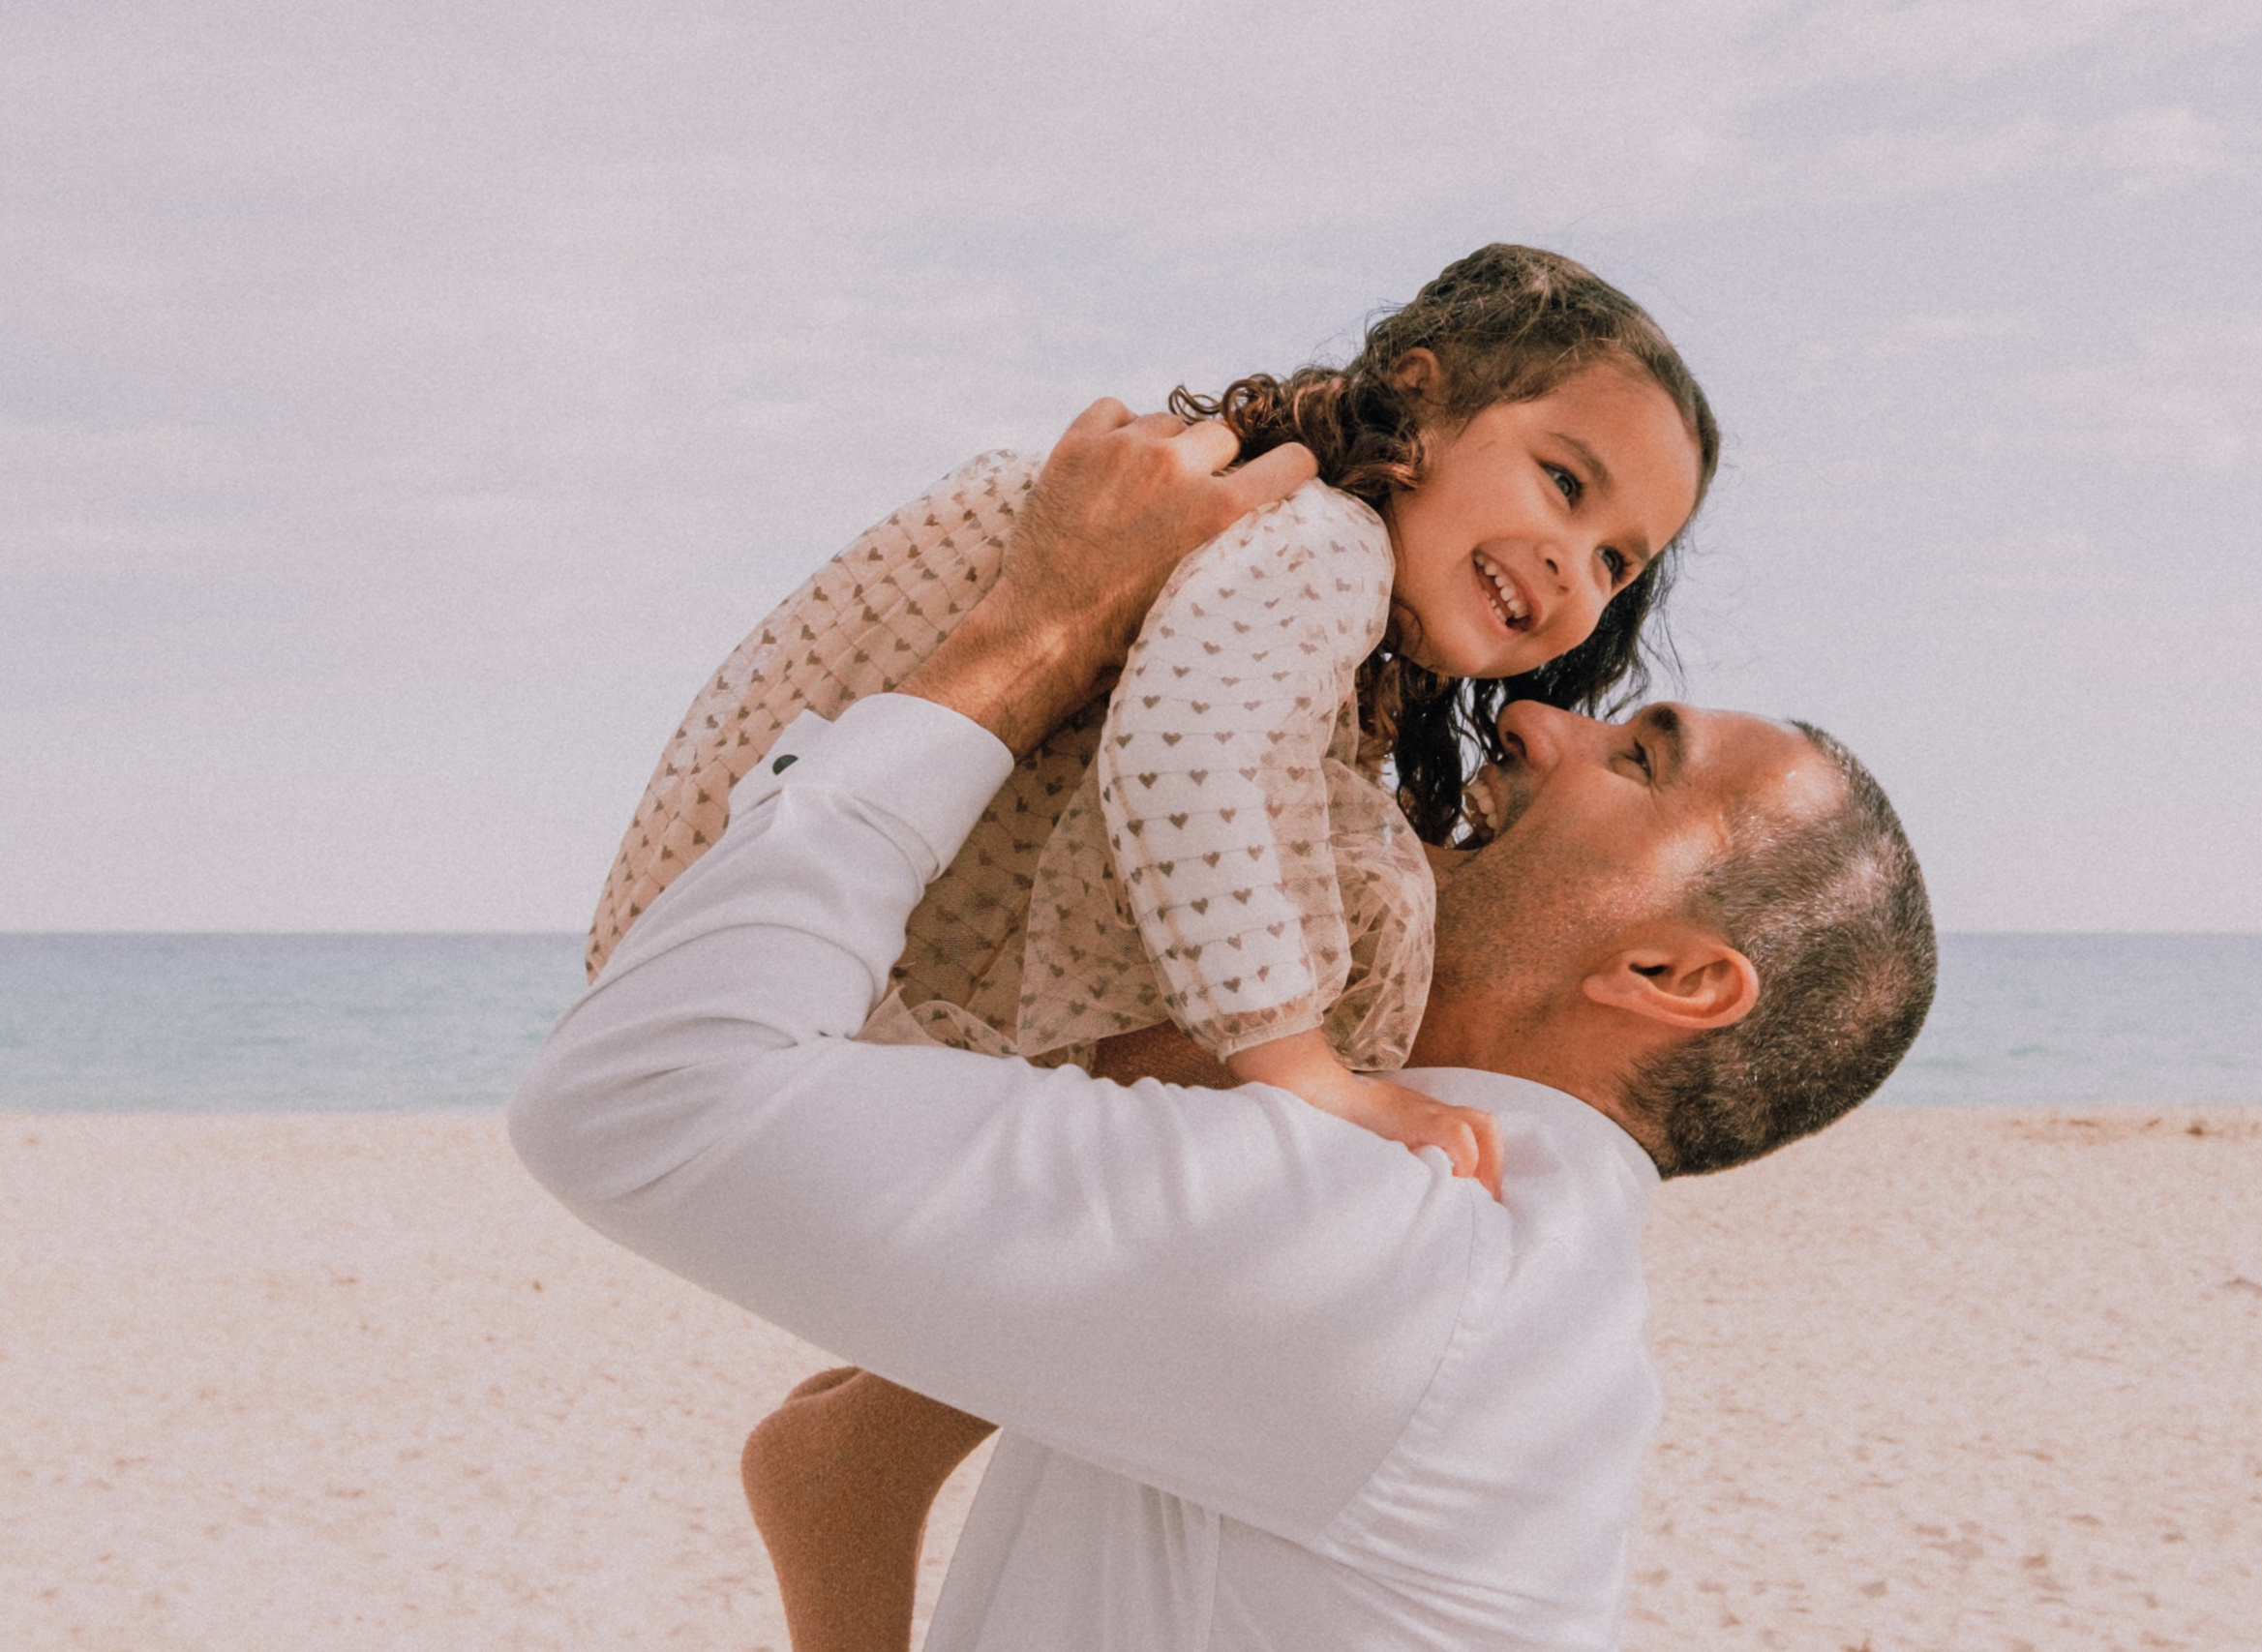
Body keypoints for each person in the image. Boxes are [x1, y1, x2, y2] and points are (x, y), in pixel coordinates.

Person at [509, 402, 1936, 1651]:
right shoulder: (1496, 1267)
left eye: (1638, 758)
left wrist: (1042, 623)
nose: (1535, 724)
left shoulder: (1398, 1248)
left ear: (1678, 975)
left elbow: (641, 1093)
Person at [581, 245, 1719, 1185]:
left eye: (1617, 561)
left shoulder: (1299, 543)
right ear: (1421, 394)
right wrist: (1304, 1069)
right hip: (765, 928)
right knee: (1355, 893)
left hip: (761, 869)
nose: (1574, 565)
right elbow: (1186, 764)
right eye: (1564, 483)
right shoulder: (1321, 541)